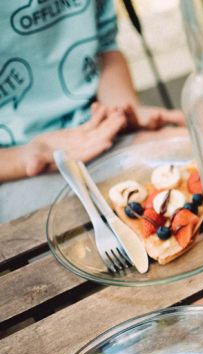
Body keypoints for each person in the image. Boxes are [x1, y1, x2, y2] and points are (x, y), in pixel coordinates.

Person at [0, 0, 185, 222]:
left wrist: (120, 113)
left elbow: (105, 48)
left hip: (100, 140)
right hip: (16, 172)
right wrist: (27, 156)